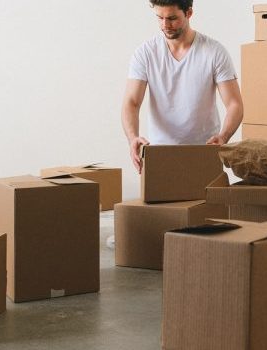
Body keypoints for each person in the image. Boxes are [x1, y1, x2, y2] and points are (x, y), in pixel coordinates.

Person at [111, 0, 243, 249]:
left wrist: (223, 136)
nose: (165, 25)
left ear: (189, 13)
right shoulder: (146, 52)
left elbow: (235, 104)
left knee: (207, 232)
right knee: (158, 234)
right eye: (159, 18)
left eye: (172, 18)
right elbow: (131, 102)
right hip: (162, 154)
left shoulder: (213, 51)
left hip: (203, 151)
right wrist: (132, 138)